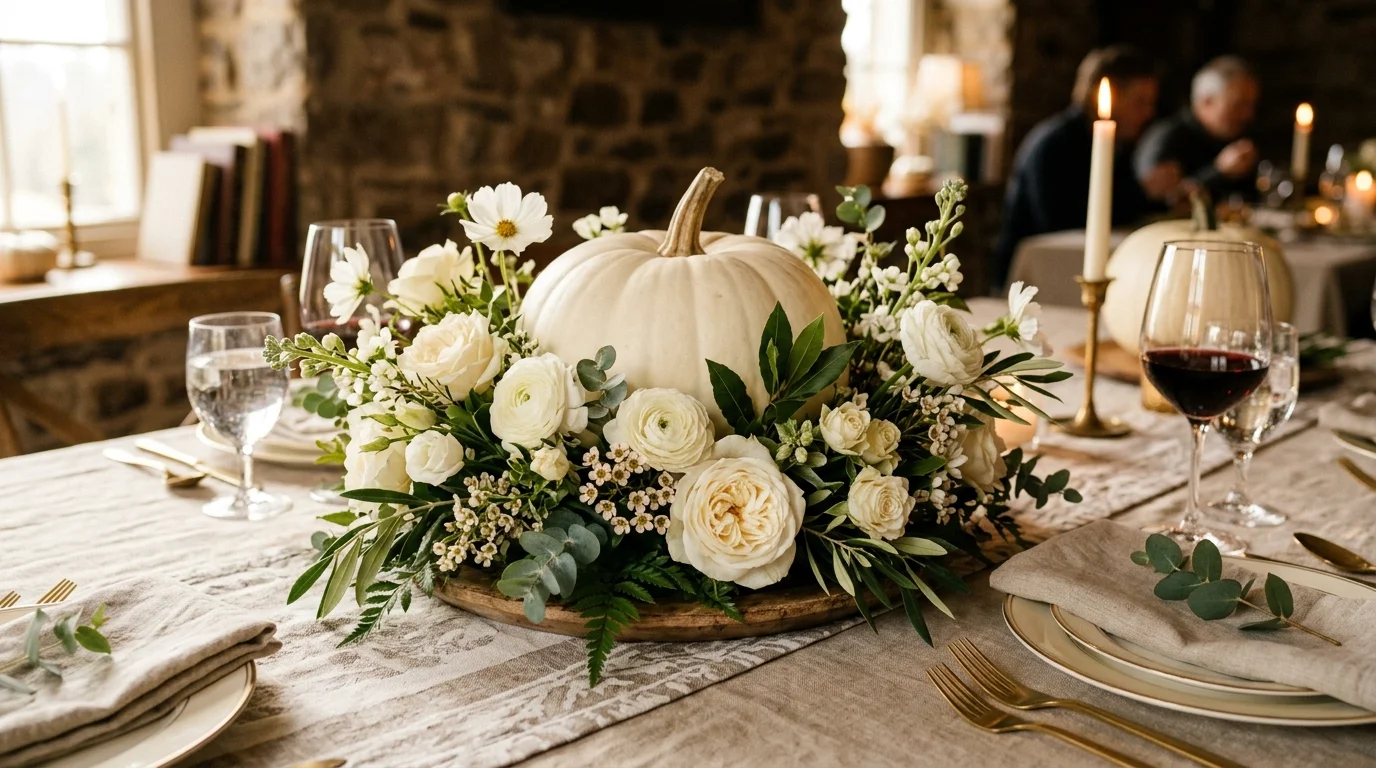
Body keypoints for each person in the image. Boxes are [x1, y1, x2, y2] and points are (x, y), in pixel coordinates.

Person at [993, 46, 1172, 289]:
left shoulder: (1119, 146)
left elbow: (1122, 208)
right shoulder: (1052, 144)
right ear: (1110, 98)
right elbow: (1059, 223)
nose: (1149, 113)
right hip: (1041, 277)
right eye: (1140, 102)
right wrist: (1144, 192)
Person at [1135, 55, 1259, 205]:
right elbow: (1162, 202)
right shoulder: (1166, 139)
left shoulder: (1238, 137)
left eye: (1251, 105)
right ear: (1206, 101)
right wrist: (1220, 171)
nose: (1247, 115)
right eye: (1238, 105)